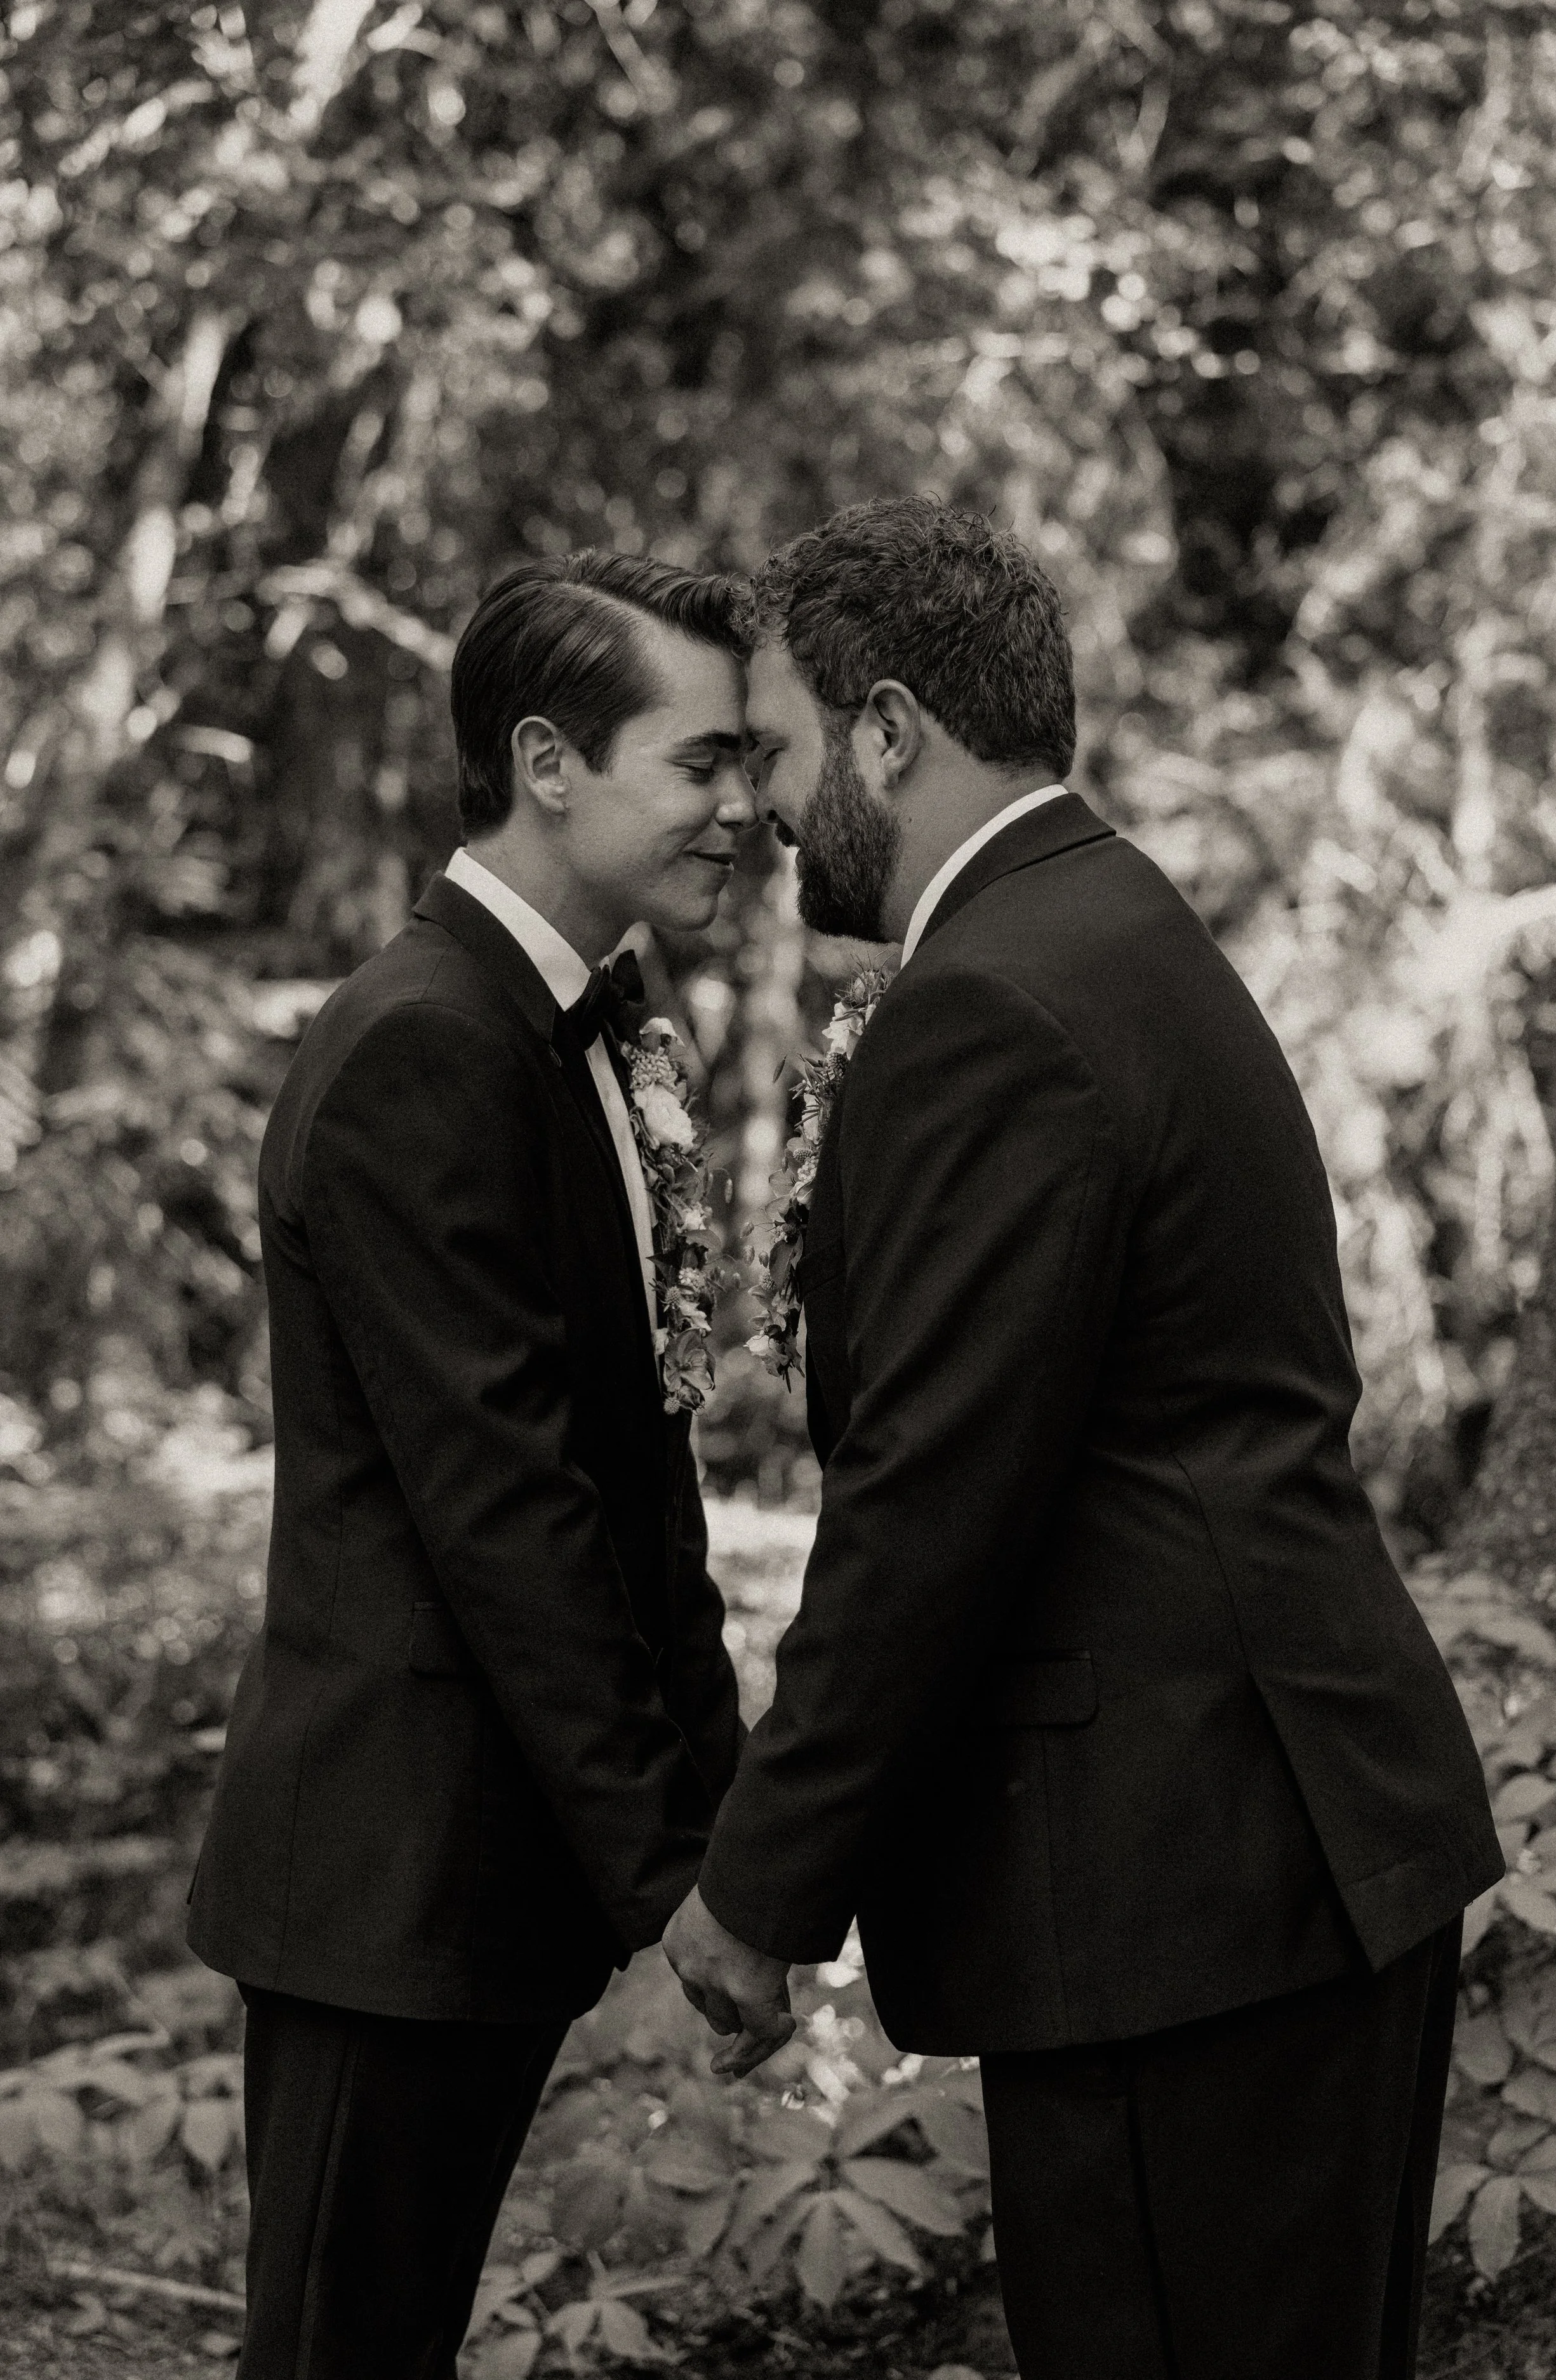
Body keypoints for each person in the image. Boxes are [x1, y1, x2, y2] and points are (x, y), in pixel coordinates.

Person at [664, 497, 1504, 2380]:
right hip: (1267, 1852)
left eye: (783, 745)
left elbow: (932, 1505)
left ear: (889, 729)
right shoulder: (1108, 927)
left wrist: (757, 1889)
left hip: (1182, 1885)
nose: (767, 806)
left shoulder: (991, 1007)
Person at [189, 552, 758, 2380]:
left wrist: (734, 1817)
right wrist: (677, 1873)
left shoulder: (575, 1026)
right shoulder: (423, 1044)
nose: (744, 810)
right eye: (704, 763)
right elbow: (504, 1506)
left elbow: (634, 1462)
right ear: (547, 761)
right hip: (388, 1877)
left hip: (475, 1872)